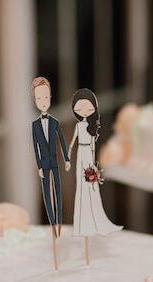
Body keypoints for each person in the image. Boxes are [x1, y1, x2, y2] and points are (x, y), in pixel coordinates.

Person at [68, 88, 122, 255]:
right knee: (81, 188)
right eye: (79, 107)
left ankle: (92, 219)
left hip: (88, 158)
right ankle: (82, 223)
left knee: (91, 189)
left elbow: (92, 148)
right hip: (80, 156)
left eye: (88, 107)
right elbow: (71, 144)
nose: (84, 111)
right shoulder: (78, 126)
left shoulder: (92, 129)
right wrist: (68, 158)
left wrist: (93, 166)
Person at [31, 77, 70, 240]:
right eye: (40, 98)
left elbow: (61, 141)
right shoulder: (34, 125)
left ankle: (59, 222)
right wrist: (39, 165)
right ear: (35, 100)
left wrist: (66, 159)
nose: (43, 101)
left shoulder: (54, 122)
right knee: (47, 194)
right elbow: (36, 147)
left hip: (55, 162)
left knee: (58, 194)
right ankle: (52, 223)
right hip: (44, 164)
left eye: (46, 97)